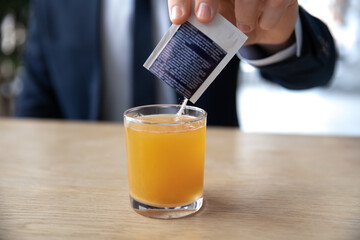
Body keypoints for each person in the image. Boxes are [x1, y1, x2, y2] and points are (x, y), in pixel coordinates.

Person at [14, 0, 337, 127]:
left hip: (207, 195)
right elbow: (33, 111)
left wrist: (277, 35)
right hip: (85, 197)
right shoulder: (53, 4)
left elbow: (320, 69)